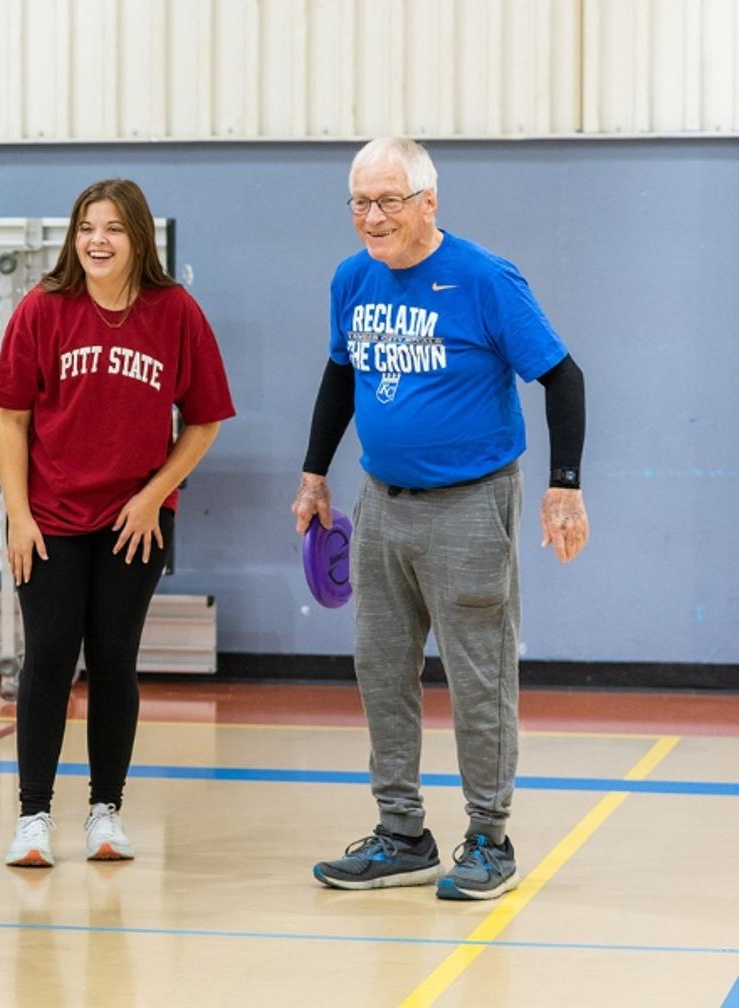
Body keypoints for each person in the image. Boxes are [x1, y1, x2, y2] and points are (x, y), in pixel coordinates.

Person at [296, 137, 589, 901]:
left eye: (389, 200)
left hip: (471, 505)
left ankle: (489, 839)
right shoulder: (351, 278)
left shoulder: (484, 279)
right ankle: (402, 834)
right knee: (381, 671)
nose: (373, 216)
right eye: (360, 201)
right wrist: (313, 473)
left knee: (478, 677)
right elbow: (340, 372)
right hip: (380, 504)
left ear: (429, 201)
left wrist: (565, 486)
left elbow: (562, 376)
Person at [0, 178, 235, 868]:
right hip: (51, 519)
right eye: (87, 227)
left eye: (114, 228)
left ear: (138, 240)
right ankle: (34, 815)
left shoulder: (175, 311)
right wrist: (18, 516)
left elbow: (205, 420)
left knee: (114, 660)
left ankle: (106, 812)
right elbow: (10, 420)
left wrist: (155, 493)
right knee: (46, 661)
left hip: (136, 522)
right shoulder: (43, 308)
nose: (97, 240)